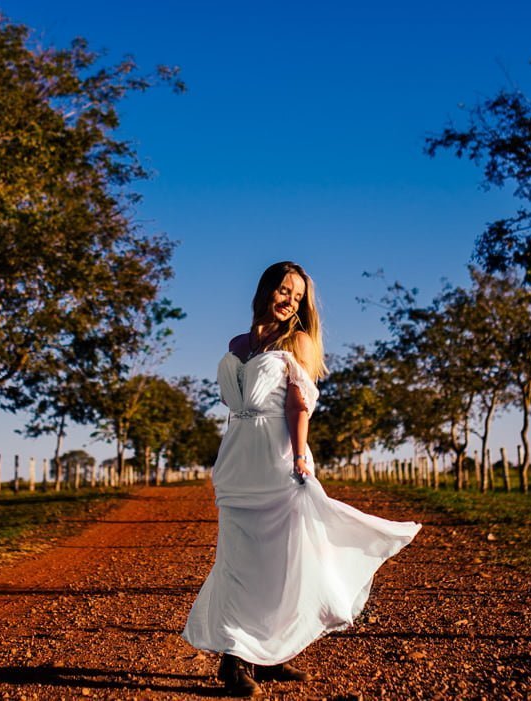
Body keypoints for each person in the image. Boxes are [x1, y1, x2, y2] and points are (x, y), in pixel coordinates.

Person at [181, 261, 421, 697]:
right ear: (265, 289)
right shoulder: (237, 343)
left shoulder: (299, 341)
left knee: (280, 562)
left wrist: (298, 457)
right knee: (237, 562)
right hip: (237, 459)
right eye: (283, 290)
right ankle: (241, 656)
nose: (289, 301)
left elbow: (298, 404)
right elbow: (235, 404)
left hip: (278, 458)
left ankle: (260, 655)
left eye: (297, 296)